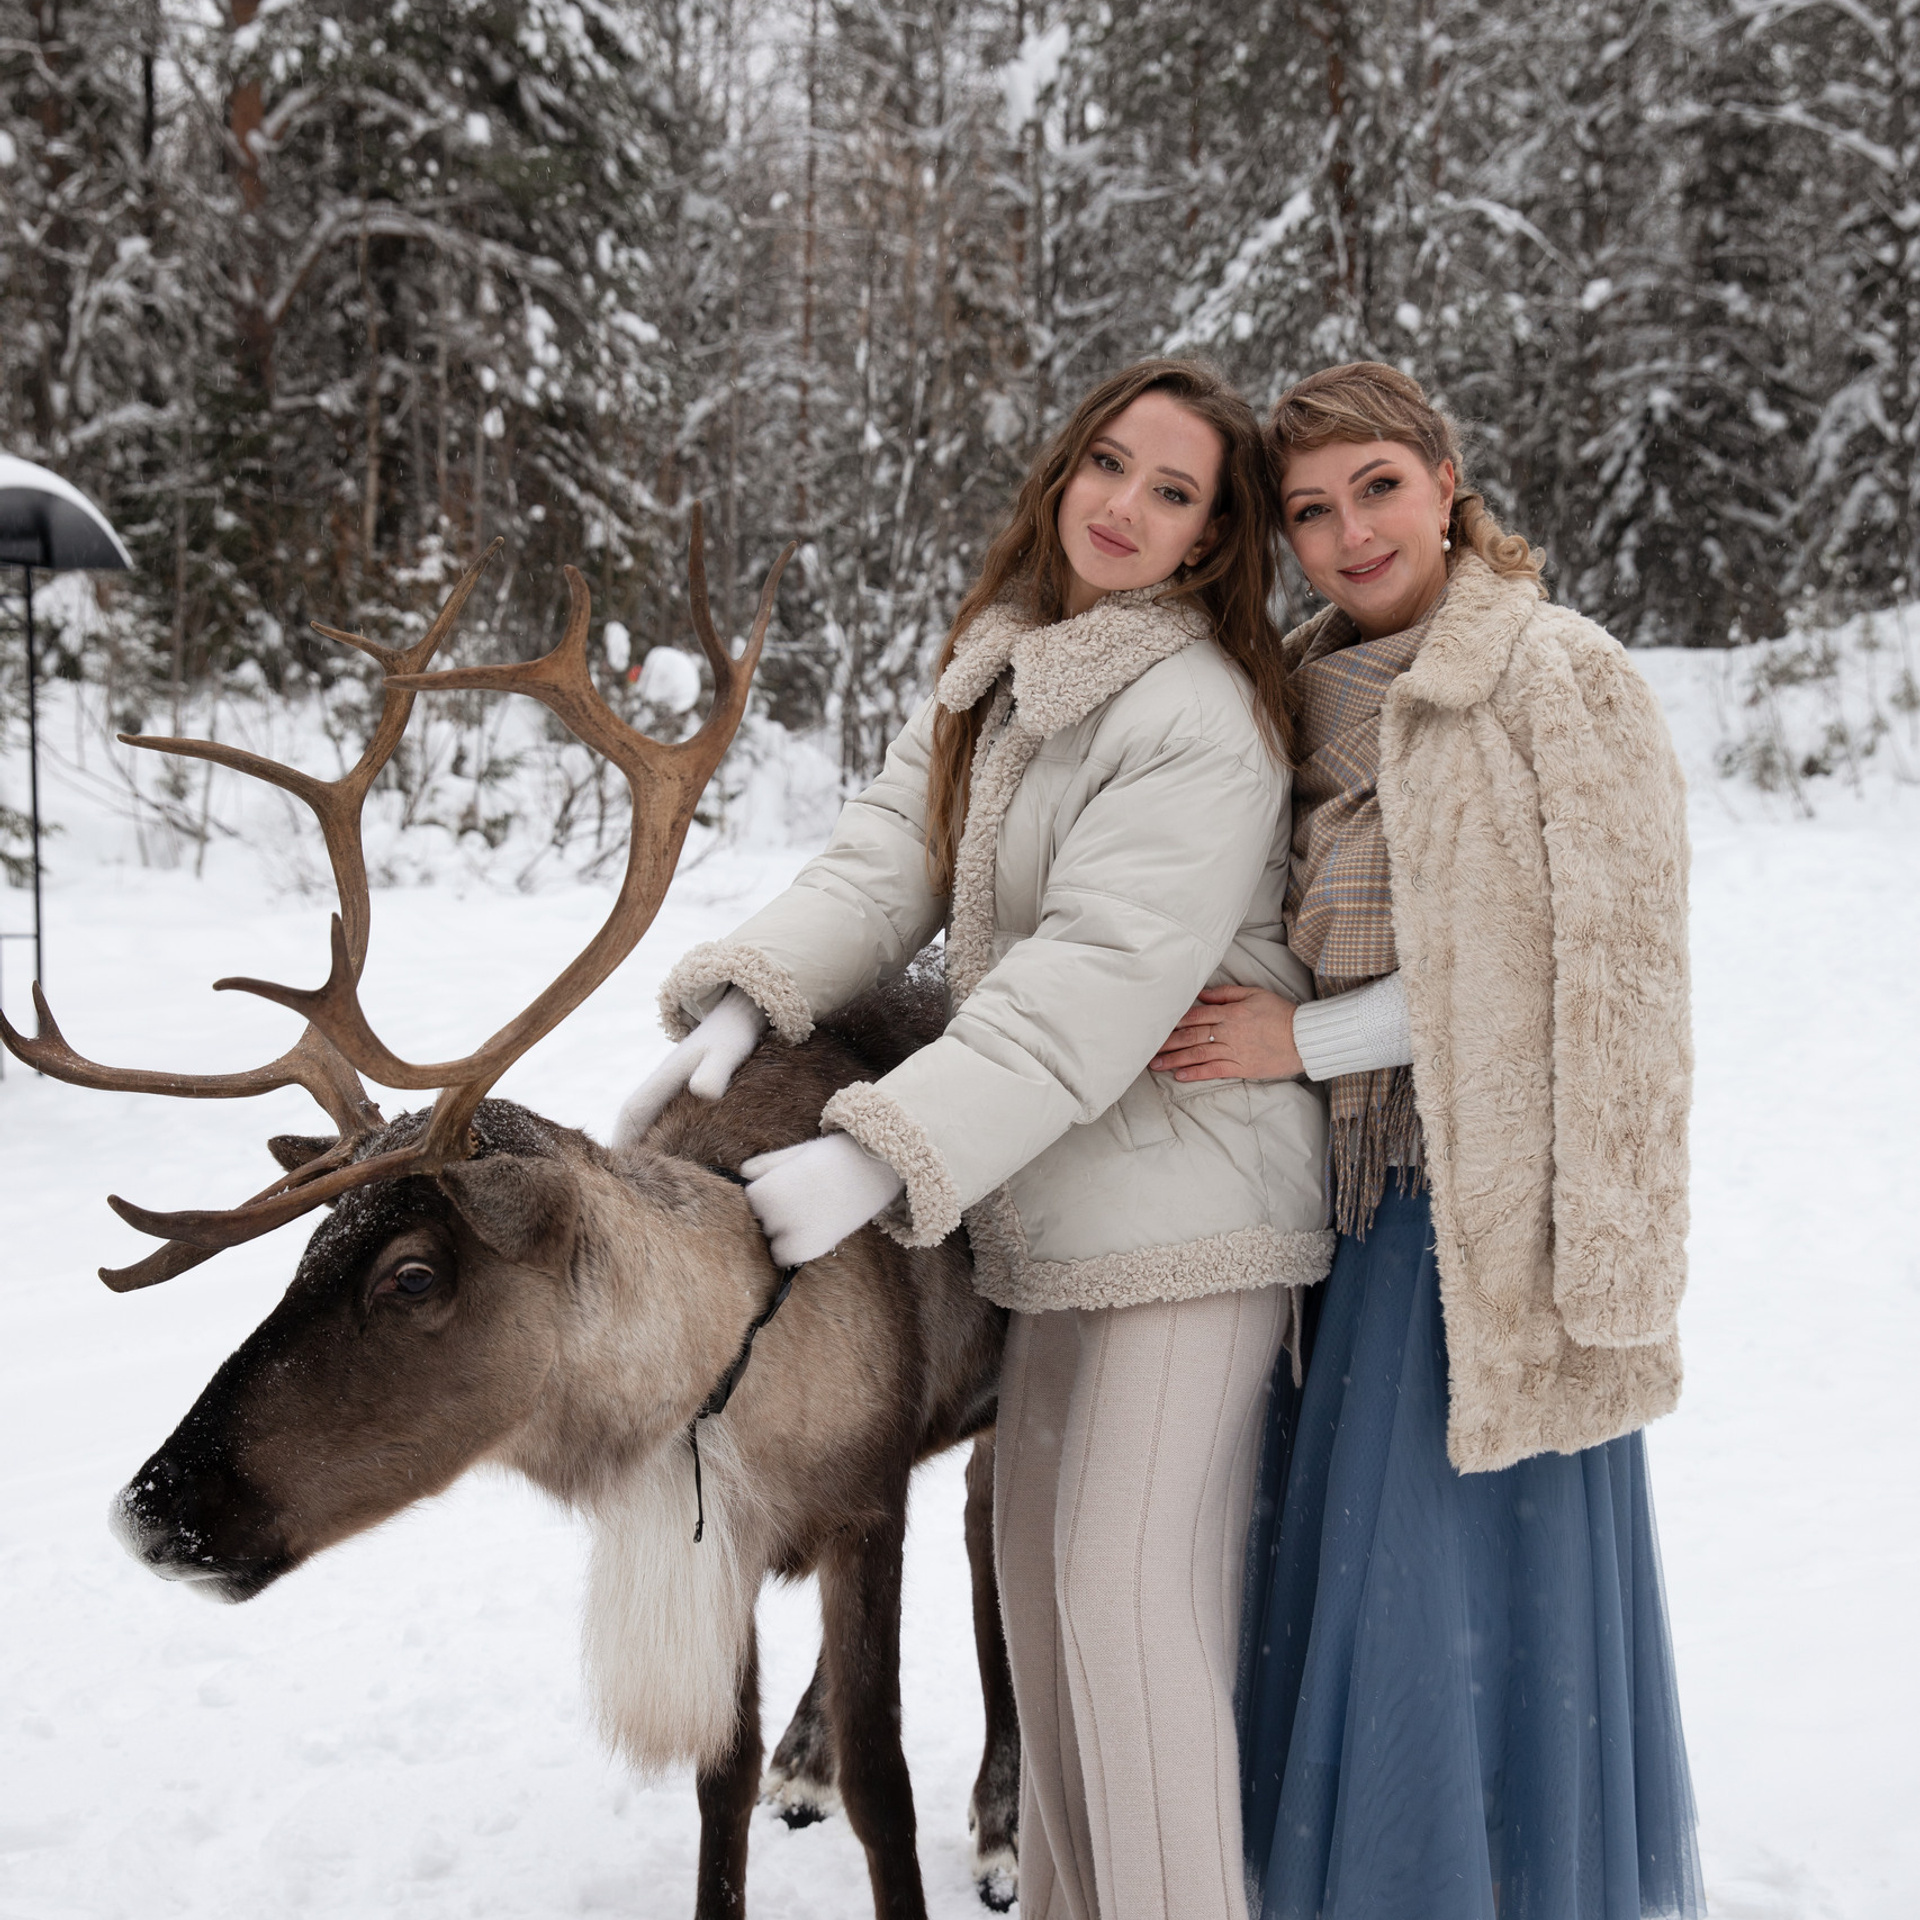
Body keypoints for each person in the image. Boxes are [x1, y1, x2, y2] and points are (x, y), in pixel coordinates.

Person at [617, 357, 1332, 1920]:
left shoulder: (1198, 719)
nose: (1125, 508)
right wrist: (747, 1000)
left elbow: (1089, 984)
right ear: (1064, 467)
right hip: (1061, 1222)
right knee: (1055, 1630)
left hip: (1190, 1227)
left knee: (1123, 1627)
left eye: (1175, 492)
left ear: (1214, 540)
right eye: (1111, 465)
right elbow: (888, 863)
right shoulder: (1008, 668)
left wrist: (880, 1144)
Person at [1152, 361, 1704, 1920]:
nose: (1348, 534)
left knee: (1435, 1587)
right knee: (1352, 1573)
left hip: (1475, 1207)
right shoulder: (1301, 698)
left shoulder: (1555, 676)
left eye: (1378, 488)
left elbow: (1583, 973)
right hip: (1328, 1190)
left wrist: (1298, 1042)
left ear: (1448, 480)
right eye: (1311, 512)